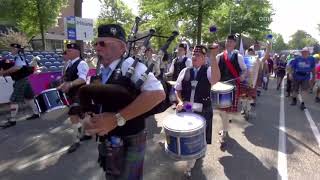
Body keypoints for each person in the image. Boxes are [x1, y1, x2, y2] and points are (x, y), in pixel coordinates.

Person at [83, 24, 165, 179]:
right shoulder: (102, 70)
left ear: (122, 48)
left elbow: (157, 94)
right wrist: (90, 117)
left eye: (103, 43)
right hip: (110, 140)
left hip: (130, 139)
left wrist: (116, 119)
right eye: (96, 43)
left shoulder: (129, 65)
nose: (97, 47)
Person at [57, 43, 91, 153]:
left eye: (70, 50)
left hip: (79, 93)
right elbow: (68, 79)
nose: (67, 52)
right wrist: (62, 86)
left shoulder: (82, 63)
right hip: (71, 94)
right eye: (67, 50)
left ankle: (76, 141)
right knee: (81, 115)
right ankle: (87, 133)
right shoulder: (68, 63)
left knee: (73, 116)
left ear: (77, 52)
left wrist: (70, 84)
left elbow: (82, 79)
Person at [215, 34, 247, 149]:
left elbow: (244, 70)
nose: (228, 43)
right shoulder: (219, 56)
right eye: (227, 41)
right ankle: (225, 126)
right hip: (220, 86)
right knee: (221, 111)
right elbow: (214, 70)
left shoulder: (238, 56)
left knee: (224, 111)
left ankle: (224, 132)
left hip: (232, 86)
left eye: (231, 41)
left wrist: (243, 75)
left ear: (234, 44)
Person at [0, 43, 39, 128]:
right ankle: (36, 113)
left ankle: (12, 120)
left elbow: (18, 67)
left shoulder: (19, 57)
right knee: (29, 97)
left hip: (21, 80)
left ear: (16, 49)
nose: (11, 50)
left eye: (12, 48)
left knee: (14, 99)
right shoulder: (19, 56)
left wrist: (5, 72)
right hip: (24, 79)